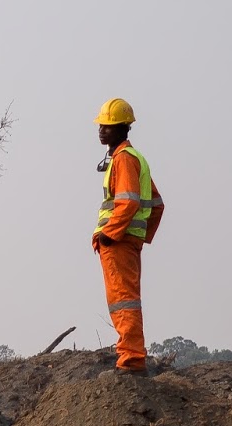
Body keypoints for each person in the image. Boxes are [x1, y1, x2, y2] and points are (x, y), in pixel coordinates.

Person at [92, 98, 165, 375]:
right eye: (101, 125)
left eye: (108, 126)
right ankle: (131, 356)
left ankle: (132, 360)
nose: (102, 130)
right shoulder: (136, 159)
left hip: (118, 242)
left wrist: (111, 235)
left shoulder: (123, 159)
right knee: (127, 299)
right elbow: (156, 204)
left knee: (123, 300)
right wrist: (139, 236)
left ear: (123, 129)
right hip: (126, 241)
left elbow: (128, 203)